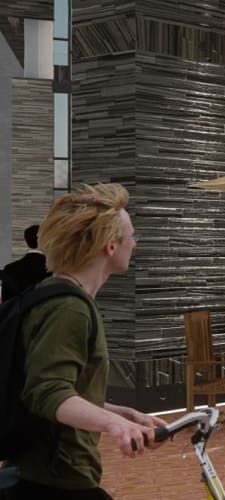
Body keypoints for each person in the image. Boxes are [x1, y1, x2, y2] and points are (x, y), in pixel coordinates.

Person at [3, 184, 166, 498]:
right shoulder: (69, 308)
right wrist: (112, 425)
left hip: (48, 475)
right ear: (109, 246)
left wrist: (120, 414)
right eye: (132, 236)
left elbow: (53, 386)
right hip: (55, 480)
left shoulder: (55, 295)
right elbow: (47, 391)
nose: (134, 244)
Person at [1, 225, 51, 302]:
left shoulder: (10, 268)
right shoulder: (53, 269)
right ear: (44, 241)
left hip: (17, 313)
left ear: (26, 241)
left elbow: (5, 300)